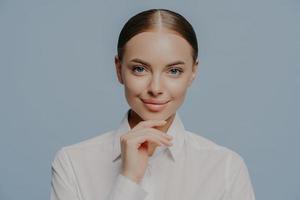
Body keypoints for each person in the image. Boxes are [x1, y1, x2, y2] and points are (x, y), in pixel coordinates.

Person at [50, 8, 256, 200]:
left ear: (193, 72)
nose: (156, 88)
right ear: (119, 69)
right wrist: (128, 180)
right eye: (140, 69)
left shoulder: (226, 168)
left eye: (174, 71)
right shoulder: (72, 163)